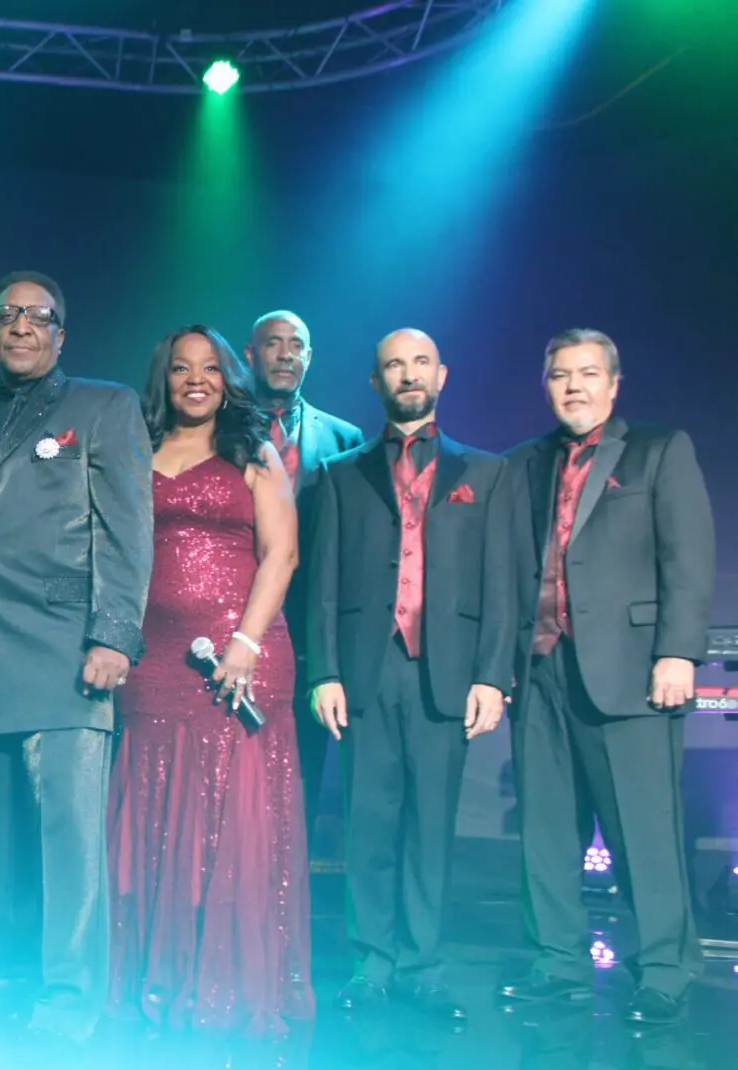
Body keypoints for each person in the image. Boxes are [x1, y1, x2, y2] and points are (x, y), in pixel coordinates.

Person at [0, 271, 154, 1041]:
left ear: (60, 333)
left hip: (65, 658)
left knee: (67, 841)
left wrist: (114, 635)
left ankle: (68, 1001)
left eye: (38, 315)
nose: (21, 326)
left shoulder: (105, 408)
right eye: (7, 315)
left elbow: (128, 532)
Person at [497, 330, 713, 1026]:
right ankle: (556, 964)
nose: (574, 387)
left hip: (631, 671)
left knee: (643, 831)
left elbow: (689, 556)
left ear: (614, 383)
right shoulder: (524, 464)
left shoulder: (658, 449)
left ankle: (664, 970)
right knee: (547, 832)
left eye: (588, 374)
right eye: (561, 375)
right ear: (546, 383)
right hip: (541, 669)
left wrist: (678, 651)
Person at [305, 329, 514, 1021]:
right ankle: (373, 962)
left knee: (431, 828)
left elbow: (503, 584)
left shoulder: (485, 474)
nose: (408, 373)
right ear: (375, 381)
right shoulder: (341, 473)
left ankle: (423, 965)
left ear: (442, 375)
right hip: (367, 671)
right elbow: (324, 584)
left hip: (447, 672)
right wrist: (325, 671)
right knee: (368, 825)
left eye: (420, 361)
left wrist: (494, 676)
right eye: (394, 364)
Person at [106, 325, 310, 1033]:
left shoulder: (253, 453)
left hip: (238, 659)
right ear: (162, 379)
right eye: (181, 369)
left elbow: (281, 555)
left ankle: (228, 981)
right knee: (159, 817)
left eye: (211, 368)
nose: (196, 380)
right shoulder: (137, 452)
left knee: (229, 819)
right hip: (154, 662)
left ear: (230, 377)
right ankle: (160, 976)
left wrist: (245, 644)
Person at [242, 311, 363, 841]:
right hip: (235, 617)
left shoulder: (344, 438)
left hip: (311, 633)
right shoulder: (221, 429)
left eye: (297, 345)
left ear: (309, 357)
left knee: (303, 769)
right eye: (274, 344)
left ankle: (292, 897)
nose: (286, 354)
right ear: (251, 355)